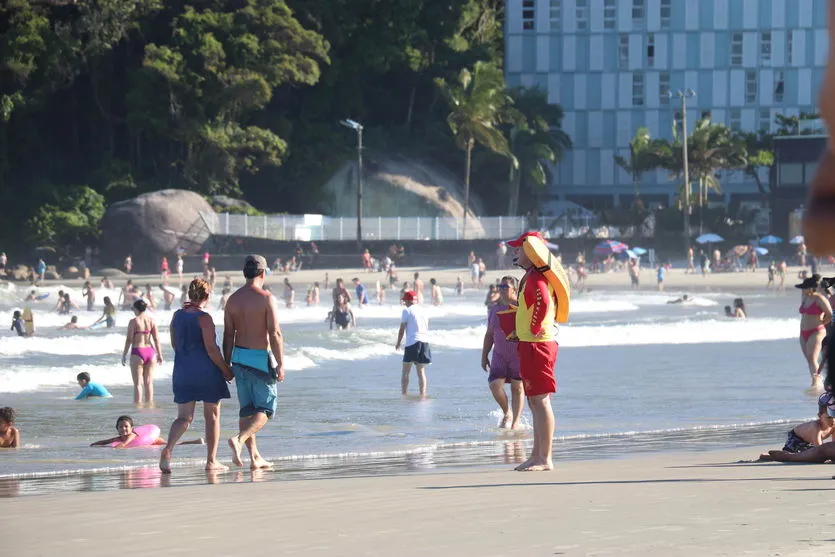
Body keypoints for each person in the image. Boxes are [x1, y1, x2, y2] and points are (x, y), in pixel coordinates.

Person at [160, 278, 232, 473]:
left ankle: (168, 449)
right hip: (207, 372)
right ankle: (211, 461)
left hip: (183, 371)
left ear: (190, 295)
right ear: (207, 296)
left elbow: (175, 344)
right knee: (212, 416)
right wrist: (226, 369)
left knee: (183, 418)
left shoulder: (177, 316)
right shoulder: (204, 318)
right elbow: (212, 349)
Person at [223, 255, 284, 470]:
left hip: (238, 358)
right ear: (262, 273)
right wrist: (280, 363)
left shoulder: (232, 300)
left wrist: (226, 363)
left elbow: (228, 334)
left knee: (247, 410)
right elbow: (274, 333)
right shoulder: (267, 298)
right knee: (266, 409)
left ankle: (255, 457)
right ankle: (239, 440)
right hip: (259, 359)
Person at [508, 231, 561, 472]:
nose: (515, 252)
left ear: (530, 252)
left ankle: (545, 458)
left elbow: (543, 301)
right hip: (529, 344)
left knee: (540, 400)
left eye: (519, 249)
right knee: (533, 401)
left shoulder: (536, 278)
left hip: (538, 345)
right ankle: (536, 455)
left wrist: (535, 325)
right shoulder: (530, 275)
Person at [481, 276, 524, 429]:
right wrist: (484, 355)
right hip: (499, 354)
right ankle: (507, 411)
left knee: (517, 387)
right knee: (494, 385)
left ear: (515, 289)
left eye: (505, 286)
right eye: (500, 286)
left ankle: (515, 422)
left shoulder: (523, 308)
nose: (501, 289)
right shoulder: (494, 310)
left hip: (518, 354)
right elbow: (489, 334)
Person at [762, 394, 835, 462]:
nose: (833, 420)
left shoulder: (834, 426)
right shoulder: (815, 426)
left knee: (806, 453)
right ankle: (766, 456)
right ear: (820, 416)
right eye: (829, 418)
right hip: (796, 438)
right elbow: (819, 449)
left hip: (809, 442)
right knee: (788, 453)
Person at [122, 299, 163, 404]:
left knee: (138, 383)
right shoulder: (152, 320)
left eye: (133, 309)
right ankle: (150, 405)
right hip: (150, 351)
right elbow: (157, 339)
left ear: (136, 309)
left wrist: (124, 354)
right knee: (149, 383)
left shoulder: (134, 321)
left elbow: (129, 339)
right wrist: (160, 354)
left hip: (138, 352)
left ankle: (138, 407)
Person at [797, 275, 833, 389]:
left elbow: (830, 314)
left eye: (804, 287)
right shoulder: (805, 297)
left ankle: (817, 383)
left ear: (811, 288)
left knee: (812, 358)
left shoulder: (820, 298)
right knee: (809, 359)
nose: (802, 289)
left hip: (816, 331)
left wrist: (823, 322)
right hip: (803, 333)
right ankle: (815, 380)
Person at [395, 290, 431, 397]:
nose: (404, 302)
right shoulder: (424, 311)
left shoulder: (407, 311)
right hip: (424, 342)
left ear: (408, 301)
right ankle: (423, 395)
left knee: (405, 371)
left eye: (405, 300)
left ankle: (404, 394)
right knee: (421, 372)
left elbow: (402, 329)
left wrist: (398, 343)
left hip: (412, 343)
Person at [91, 415, 203, 449]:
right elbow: (106, 441)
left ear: (131, 428)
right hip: (147, 443)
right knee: (170, 443)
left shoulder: (133, 434)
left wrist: (120, 446)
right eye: (120, 427)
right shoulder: (118, 438)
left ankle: (195, 441)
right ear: (117, 428)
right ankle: (195, 441)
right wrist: (95, 444)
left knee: (172, 444)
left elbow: (127, 442)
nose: (123, 429)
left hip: (151, 440)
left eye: (126, 427)